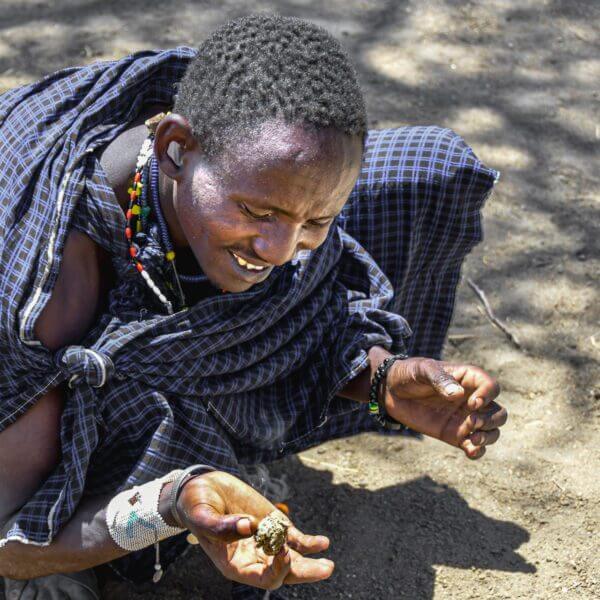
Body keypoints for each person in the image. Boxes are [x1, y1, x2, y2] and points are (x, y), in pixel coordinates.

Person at [0, 14, 506, 599]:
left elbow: (310, 310)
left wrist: (380, 381)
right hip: (25, 403)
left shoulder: (249, 163)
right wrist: (164, 506)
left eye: (316, 219)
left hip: (197, 235)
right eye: (259, 213)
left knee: (428, 169)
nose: (281, 249)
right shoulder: (50, 291)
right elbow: (10, 545)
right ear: (175, 150)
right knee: (50, 576)